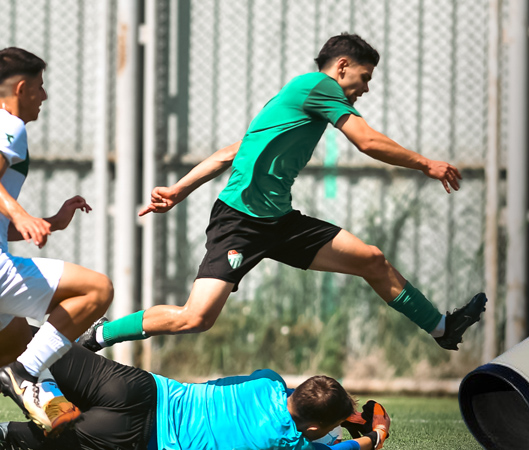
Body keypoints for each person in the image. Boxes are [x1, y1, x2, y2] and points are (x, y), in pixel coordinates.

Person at [79, 32, 486, 355]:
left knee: (372, 259)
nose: (364, 89)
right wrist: (426, 164)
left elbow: (232, 151)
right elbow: (366, 141)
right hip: (240, 220)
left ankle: (442, 328)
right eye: (364, 78)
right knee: (196, 317)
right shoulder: (317, 86)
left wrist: (178, 190)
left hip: (280, 221)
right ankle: (102, 335)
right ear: (342, 67)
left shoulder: (295, 102)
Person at [0, 330, 391, 450]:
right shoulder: (293, 444)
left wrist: (342, 412)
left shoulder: (269, 380)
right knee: (25, 442)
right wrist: (376, 433)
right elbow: (347, 449)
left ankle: (42, 384)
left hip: (142, 389)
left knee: (28, 344)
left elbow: (305, 401)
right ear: (311, 430)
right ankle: (35, 403)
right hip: (137, 439)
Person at [0, 47, 114, 436]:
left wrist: (49, 221)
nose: (44, 97)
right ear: (21, 88)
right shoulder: (8, 125)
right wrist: (21, 214)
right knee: (97, 290)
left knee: (15, 338)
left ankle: (34, 386)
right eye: (40, 87)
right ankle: (24, 376)